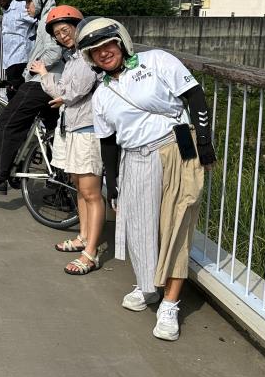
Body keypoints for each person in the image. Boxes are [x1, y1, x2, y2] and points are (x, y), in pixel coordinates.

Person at [78, 17, 217, 341]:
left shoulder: (156, 61)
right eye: (95, 51)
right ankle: (148, 286)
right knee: (139, 228)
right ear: (90, 58)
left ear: (120, 41)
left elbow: (194, 95)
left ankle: (170, 303)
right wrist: (110, 181)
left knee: (176, 224)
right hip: (136, 157)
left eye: (107, 45)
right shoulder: (102, 96)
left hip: (176, 147)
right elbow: (108, 142)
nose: (103, 53)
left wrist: (206, 143)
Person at [0, 0, 62, 194]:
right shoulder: (48, 15)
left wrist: (32, 68)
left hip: (42, 82)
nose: (27, 6)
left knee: (7, 123)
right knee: (53, 133)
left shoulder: (49, 19)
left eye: (29, 1)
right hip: (52, 83)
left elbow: (54, 51)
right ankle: (57, 184)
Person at [35, 6, 106, 275]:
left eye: (66, 30)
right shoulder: (74, 57)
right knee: (79, 187)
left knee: (91, 192)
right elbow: (65, 91)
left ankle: (92, 252)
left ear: (79, 26)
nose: (63, 36)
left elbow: (72, 92)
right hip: (73, 128)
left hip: (88, 129)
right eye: (58, 34)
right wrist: (55, 86)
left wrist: (45, 76)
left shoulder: (88, 58)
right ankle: (84, 237)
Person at [0, 0, 36, 99]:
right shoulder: (5, 11)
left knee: (17, 98)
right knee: (12, 98)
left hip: (22, 60)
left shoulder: (21, 6)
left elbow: (38, 21)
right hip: (10, 62)